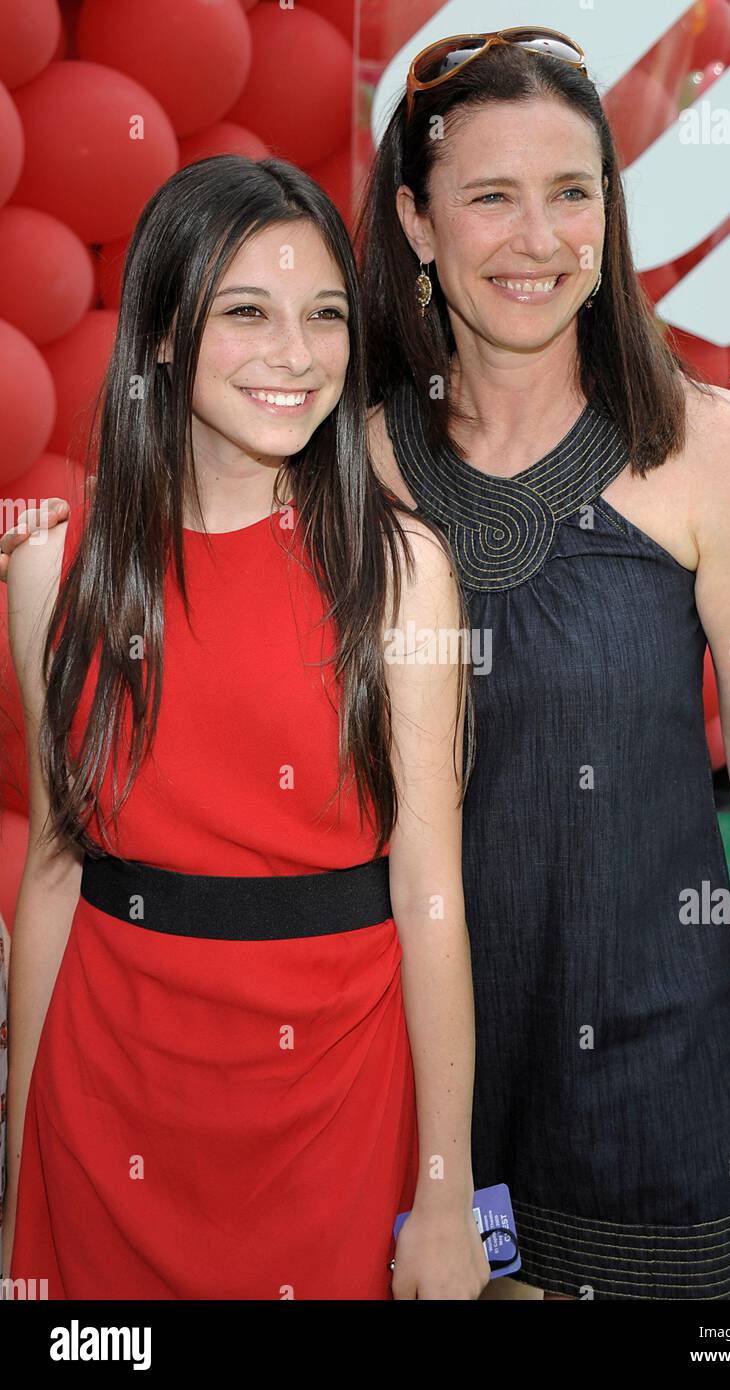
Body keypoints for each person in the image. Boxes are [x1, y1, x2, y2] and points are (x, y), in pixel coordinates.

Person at [2, 29, 730, 1303]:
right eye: (489, 195)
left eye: (571, 193)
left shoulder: (705, 447)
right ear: (417, 220)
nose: (535, 236)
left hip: (640, 1046)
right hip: (400, 1052)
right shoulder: (355, 466)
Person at [0, 155, 489, 1300]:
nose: (297, 354)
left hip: (332, 1104)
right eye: (247, 313)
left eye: (325, 316)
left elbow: (429, 891)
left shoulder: (400, 573)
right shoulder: (47, 574)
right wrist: (20, 1166)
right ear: (163, 333)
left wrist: (445, 1189)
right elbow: (54, 873)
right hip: (103, 1101)